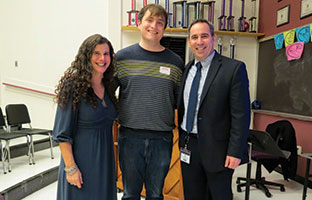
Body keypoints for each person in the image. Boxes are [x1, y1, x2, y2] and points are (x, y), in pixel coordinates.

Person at [114, 4, 184, 200]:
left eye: (160, 22)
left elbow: (180, 102)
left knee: (155, 195)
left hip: (162, 140)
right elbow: (107, 94)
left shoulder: (176, 62)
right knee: (130, 194)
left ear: (164, 28)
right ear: (139, 23)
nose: (154, 26)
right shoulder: (121, 58)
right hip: (129, 138)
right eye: (149, 20)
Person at [178, 19, 250, 200]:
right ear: (189, 41)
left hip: (219, 150)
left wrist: (235, 151)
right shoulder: (187, 69)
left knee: (219, 196)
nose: (199, 41)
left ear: (213, 38)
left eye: (204, 36)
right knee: (192, 195)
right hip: (189, 146)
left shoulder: (233, 69)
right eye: (194, 37)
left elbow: (241, 115)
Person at [52, 34, 118, 200]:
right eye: (96, 53)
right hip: (81, 163)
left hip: (105, 163)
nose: (102, 58)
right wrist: (71, 169)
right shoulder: (73, 86)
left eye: (106, 53)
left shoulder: (108, 86)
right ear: (86, 56)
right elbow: (62, 134)